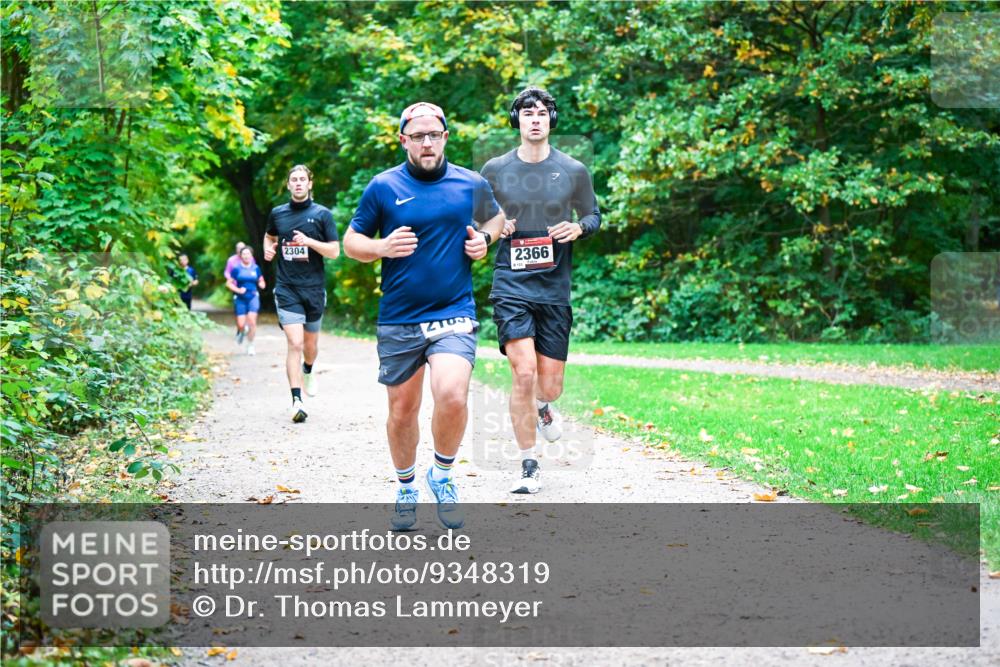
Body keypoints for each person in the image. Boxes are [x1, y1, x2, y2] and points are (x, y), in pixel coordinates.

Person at [343, 101, 506, 530]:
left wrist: (484, 241)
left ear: (446, 136)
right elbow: (351, 241)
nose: (427, 142)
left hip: (453, 310)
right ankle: (405, 487)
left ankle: (444, 473)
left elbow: (496, 218)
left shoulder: (470, 183)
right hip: (399, 316)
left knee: (452, 394)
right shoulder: (383, 187)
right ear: (403, 140)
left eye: (434, 134)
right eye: (418, 136)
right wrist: (380, 248)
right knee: (402, 411)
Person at [480, 87, 601, 494]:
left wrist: (578, 228)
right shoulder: (494, 169)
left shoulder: (574, 169)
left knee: (548, 386)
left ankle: (545, 407)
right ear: (517, 121)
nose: (535, 118)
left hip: (554, 288)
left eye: (542, 112)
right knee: (523, 372)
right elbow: (475, 214)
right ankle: (528, 463)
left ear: (551, 120)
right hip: (510, 284)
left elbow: (593, 214)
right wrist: (494, 223)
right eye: (527, 112)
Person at [263, 164, 340, 423]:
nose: (297, 183)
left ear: (310, 184)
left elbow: (334, 251)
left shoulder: (322, 215)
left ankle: (308, 369)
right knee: (294, 343)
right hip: (286, 288)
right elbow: (269, 237)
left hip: (314, 289)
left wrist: (309, 243)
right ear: (288, 185)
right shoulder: (278, 214)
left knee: (310, 346)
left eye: (302, 179)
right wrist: (268, 249)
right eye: (293, 179)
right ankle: (296, 400)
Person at [226, 246, 265, 355]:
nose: (246, 256)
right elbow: (228, 283)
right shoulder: (236, 268)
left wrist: (261, 284)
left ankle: (251, 345)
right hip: (240, 298)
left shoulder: (256, 268)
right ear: (241, 256)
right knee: (241, 324)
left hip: (253, 296)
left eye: (248, 254)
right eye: (244, 254)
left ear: (251, 255)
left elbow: (261, 280)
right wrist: (238, 290)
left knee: (252, 321)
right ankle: (242, 332)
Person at [224, 242, 257, 344]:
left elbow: (254, 270)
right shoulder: (231, 260)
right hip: (236, 288)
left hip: (250, 290)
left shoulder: (250, 258)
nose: (240, 250)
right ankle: (240, 329)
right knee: (239, 312)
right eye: (238, 248)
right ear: (236, 249)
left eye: (241, 248)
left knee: (251, 314)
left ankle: (246, 328)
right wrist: (233, 281)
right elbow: (227, 272)